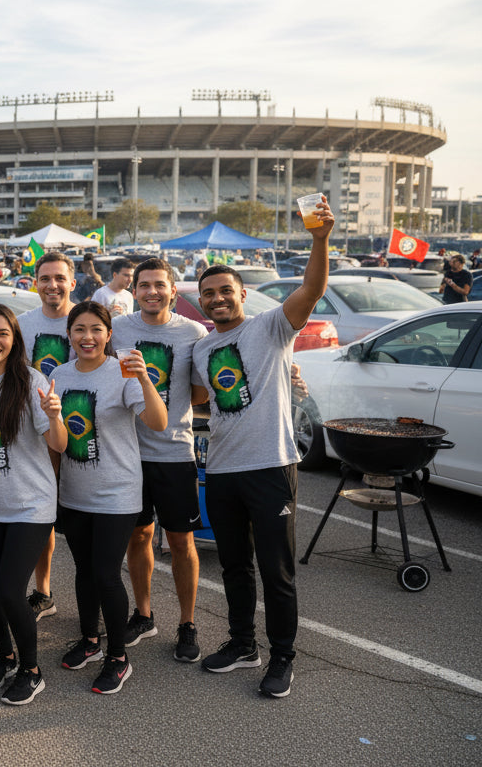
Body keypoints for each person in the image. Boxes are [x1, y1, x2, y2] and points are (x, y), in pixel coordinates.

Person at [190, 198, 335, 699]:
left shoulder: (271, 326)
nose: (217, 299)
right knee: (233, 566)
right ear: (201, 302)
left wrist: (319, 240)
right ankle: (242, 643)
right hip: (223, 469)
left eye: (225, 291)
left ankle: (282, 657)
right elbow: (199, 400)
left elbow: (312, 288)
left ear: (242, 293)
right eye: (208, 294)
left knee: (276, 571)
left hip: (272, 465)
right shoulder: (202, 348)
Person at [52, 302, 168, 694]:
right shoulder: (59, 374)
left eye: (96, 329)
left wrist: (145, 380)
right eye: (79, 329)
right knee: (84, 572)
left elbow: (158, 421)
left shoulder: (123, 371)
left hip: (117, 493)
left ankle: (119, 656)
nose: (88, 337)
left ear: (109, 334)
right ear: (69, 334)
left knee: (105, 573)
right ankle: (90, 640)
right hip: (74, 492)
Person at [0, 304, 68, 706]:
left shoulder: (32, 381)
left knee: (8, 591)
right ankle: (5, 656)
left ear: (14, 339)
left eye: (3, 333)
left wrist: (55, 416)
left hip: (31, 505)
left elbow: (59, 444)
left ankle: (31, 670)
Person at [110, 258, 209, 664]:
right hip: (127, 453)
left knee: (181, 541)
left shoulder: (193, 332)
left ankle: (187, 623)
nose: (151, 291)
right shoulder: (117, 329)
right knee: (137, 536)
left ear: (173, 290)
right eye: (144, 285)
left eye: (159, 285)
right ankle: (144, 613)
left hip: (173, 452)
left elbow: (201, 394)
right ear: (134, 291)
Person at [15, 252, 79, 622]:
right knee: (43, 517)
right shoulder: (23, 324)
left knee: (88, 520)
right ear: (34, 282)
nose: (52, 285)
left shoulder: (85, 319)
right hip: (39, 433)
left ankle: (98, 597)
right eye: (45, 278)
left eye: (59, 278)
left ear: (72, 282)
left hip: (88, 434)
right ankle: (43, 591)